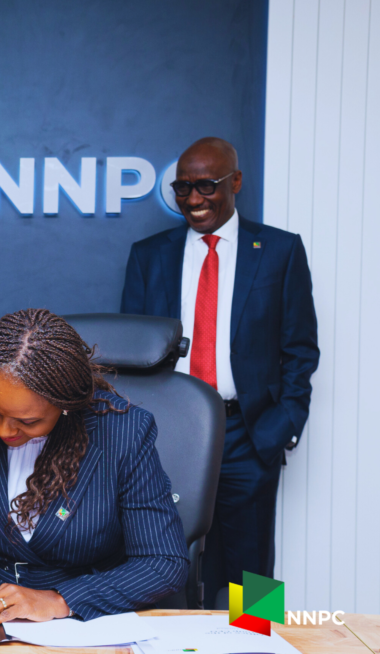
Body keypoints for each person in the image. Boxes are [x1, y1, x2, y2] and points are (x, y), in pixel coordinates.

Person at [121, 137, 319, 606]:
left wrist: (281, 427)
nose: (193, 200)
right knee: (156, 558)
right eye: (182, 188)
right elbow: (129, 352)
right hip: (165, 431)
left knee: (251, 570)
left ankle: (255, 638)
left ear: (235, 182)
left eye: (206, 186)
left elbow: (300, 349)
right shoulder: (149, 255)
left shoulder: (279, 251)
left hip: (247, 432)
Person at [0, 309, 188, 624]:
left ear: (65, 406)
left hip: (80, 621)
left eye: (28, 421)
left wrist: (61, 600)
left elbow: (163, 563)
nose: (4, 431)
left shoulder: (123, 434)